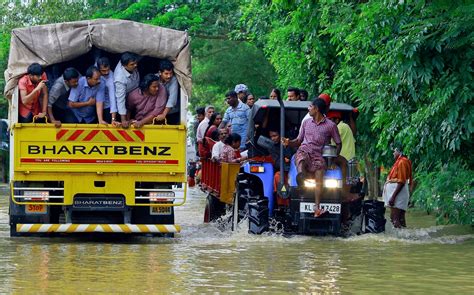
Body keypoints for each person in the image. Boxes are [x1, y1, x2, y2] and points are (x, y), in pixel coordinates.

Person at [283, 98, 341, 217]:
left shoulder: (331, 126)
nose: (308, 109)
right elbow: (298, 141)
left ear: (317, 109)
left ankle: (317, 208)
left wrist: (334, 159)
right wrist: (289, 142)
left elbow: (339, 143)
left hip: (318, 156)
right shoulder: (306, 122)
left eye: (310, 106)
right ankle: (301, 180)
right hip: (304, 151)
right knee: (301, 159)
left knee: (320, 174)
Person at [383, 147, 413, 228]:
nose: (393, 153)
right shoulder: (402, 161)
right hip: (400, 193)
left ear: (399, 152)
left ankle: (398, 238)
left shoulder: (402, 162)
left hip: (398, 193)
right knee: (401, 218)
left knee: (394, 218)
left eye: (394, 151)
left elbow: (401, 181)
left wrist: (393, 197)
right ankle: (404, 236)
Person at [114, 52, 140, 128]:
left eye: (135, 63)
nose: (135, 65)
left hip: (134, 92)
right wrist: (123, 120)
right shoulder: (120, 79)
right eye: (132, 64)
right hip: (125, 98)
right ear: (124, 66)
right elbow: (120, 99)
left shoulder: (129, 62)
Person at [156, 60, 180, 124]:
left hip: (171, 112)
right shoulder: (154, 78)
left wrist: (164, 114)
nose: (169, 76)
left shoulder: (173, 79)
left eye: (171, 73)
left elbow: (172, 98)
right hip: (155, 112)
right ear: (160, 73)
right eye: (166, 73)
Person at [96, 57, 116, 125]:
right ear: (98, 69)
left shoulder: (111, 78)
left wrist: (113, 119)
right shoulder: (94, 71)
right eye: (103, 71)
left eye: (108, 70)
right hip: (92, 103)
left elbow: (112, 98)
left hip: (107, 105)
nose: (106, 72)